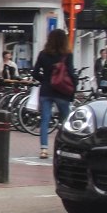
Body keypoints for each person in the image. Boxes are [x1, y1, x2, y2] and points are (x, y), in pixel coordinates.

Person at [31, 28, 76, 160]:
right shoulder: (67, 55)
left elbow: (34, 73)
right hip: (62, 91)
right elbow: (71, 73)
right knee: (65, 120)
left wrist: (45, 80)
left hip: (46, 91)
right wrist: (73, 88)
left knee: (45, 120)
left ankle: (44, 149)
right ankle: (64, 146)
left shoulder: (43, 54)